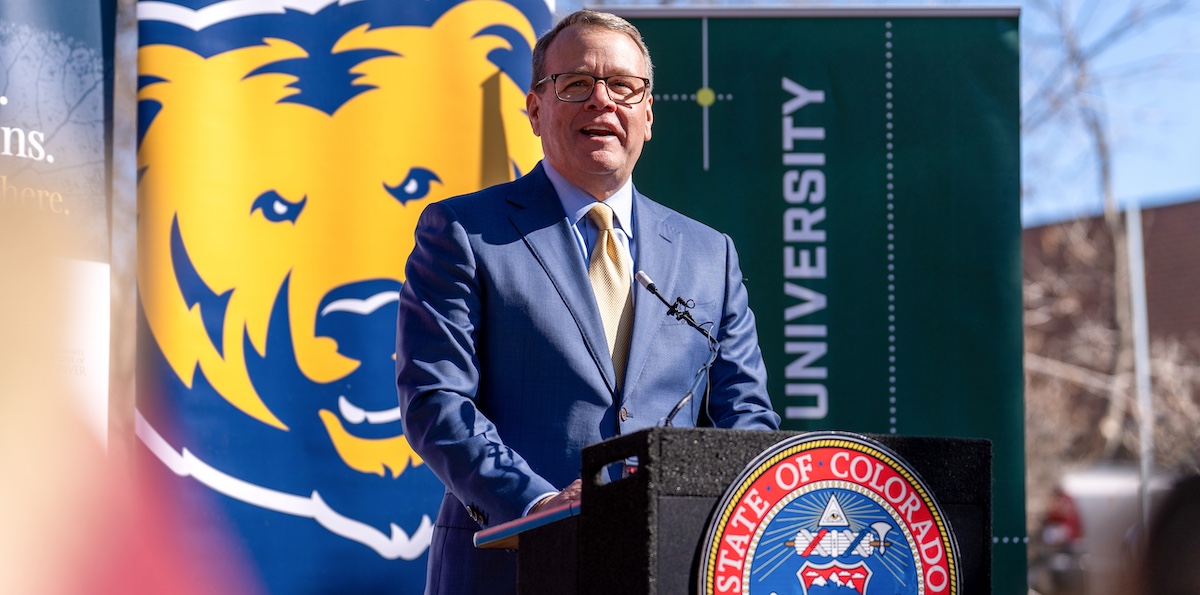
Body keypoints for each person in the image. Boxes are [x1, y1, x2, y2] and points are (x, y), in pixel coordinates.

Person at [395, 9, 779, 594]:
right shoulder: (464, 232)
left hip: (670, 567)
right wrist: (543, 506)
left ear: (648, 115)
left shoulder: (710, 254)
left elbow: (746, 420)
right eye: (576, 84)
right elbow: (436, 402)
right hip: (513, 565)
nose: (602, 101)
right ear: (534, 109)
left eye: (624, 87)